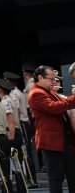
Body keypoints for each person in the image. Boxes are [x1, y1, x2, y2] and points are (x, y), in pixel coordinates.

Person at [26, 65, 75, 193]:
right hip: (51, 142)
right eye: (51, 79)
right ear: (40, 77)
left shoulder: (49, 92)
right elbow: (55, 107)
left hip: (63, 140)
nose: (54, 82)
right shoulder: (36, 93)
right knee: (56, 178)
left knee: (72, 175)